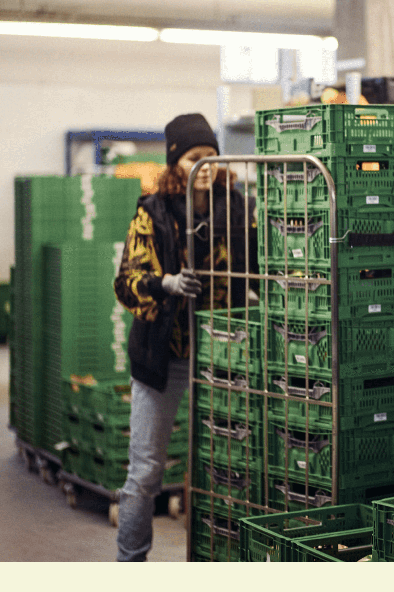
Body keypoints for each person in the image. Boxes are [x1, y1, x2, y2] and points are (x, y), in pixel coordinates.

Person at [112, 113, 252, 561]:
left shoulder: (233, 205)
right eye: (195, 158)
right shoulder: (152, 211)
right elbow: (127, 280)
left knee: (223, 468)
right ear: (176, 162)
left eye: (212, 157)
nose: (206, 166)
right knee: (147, 470)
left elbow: (254, 265)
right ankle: (131, 561)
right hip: (162, 359)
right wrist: (165, 283)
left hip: (218, 358)